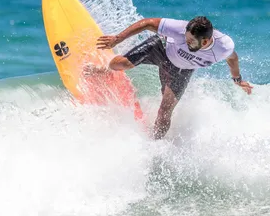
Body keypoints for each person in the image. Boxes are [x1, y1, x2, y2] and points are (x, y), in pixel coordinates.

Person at [91, 16, 253, 139]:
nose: (186, 41)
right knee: (118, 65)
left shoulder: (223, 47)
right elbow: (148, 23)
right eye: (186, 37)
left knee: (165, 112)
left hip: (181, 71)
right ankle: (105, 70)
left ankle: (154, 144)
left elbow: (232, 59)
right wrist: (117, 39)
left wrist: (237, 80)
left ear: (205, 41)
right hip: (161, 49)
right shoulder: (179, 30)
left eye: (190, 41)